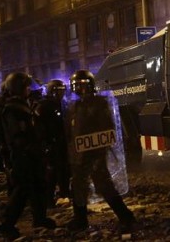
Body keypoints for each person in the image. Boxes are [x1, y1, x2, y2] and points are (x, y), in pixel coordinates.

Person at [65, 70, 135, 233]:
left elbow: (107, 129)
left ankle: (126, 217)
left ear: (91, 86)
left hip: (95, 152)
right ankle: (80, 220)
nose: (80, 89)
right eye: (77, 86)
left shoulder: (100, 103)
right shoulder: (73, 106)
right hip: (79, 154)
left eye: (84, 85)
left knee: (104, 185)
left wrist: (99, 151)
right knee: (78, 186)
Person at [0, 72, 55, 240]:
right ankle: (6, 225)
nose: (29, 90)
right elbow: (18, 135)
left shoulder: (22, 105)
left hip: (33, 153)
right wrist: (30, 148)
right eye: (26, 87)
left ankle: (39, 218)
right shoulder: (11, 109)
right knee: (21, 191)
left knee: (39, 186)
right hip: (23, 155)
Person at [35, 79, 70, 207]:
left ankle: (64, 193)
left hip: (61, 142)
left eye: (62, 91)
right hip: (51, 143)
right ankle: (48, 198)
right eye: (59, 91)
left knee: (64, 169)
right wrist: (46, 144)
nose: (61, 94)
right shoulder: (44, 106)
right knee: (52, 172)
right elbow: (40, 127)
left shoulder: (61, 104)